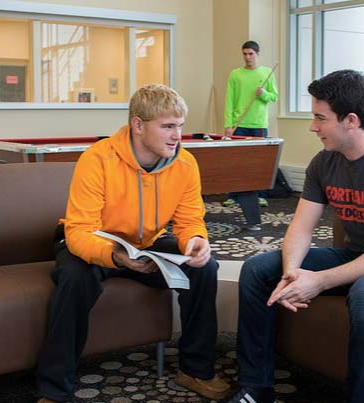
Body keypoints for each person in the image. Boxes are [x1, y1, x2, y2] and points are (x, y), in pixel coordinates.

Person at [219, 70, 364, 403]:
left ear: (350, 120)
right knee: (257, 269)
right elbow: (301, 228)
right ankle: (256, 387)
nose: (313, 126)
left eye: (320, 118)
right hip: (357, 255)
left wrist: (319, 281)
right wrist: (292, 271)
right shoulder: (323, 162)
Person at [35, 84, 228, 403]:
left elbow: (189, 219)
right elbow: (80, 230)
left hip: (146, 243)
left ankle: (195, 369)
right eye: (167, 126)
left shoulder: (185, 164)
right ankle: (55, 390)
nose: (177, 135)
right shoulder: (97, 159)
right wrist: (116, 256)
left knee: (204, 268)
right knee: (74, 279)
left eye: (180, 126)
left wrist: (195, 240)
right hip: (94, 243)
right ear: (138, 125)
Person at [222, 40, 279, 227]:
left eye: (251, 54)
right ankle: (233, 195)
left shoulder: (266, 73)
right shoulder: (235, 74)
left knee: (258, 163)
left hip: (259, 125)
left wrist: (263, 94)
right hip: (239, 124)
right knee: (235, 162)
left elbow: (274, 96)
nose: (247, 57)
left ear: (257, 54)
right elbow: (229, 100)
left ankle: (260, 196)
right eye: (245, 54)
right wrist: (228, 124)